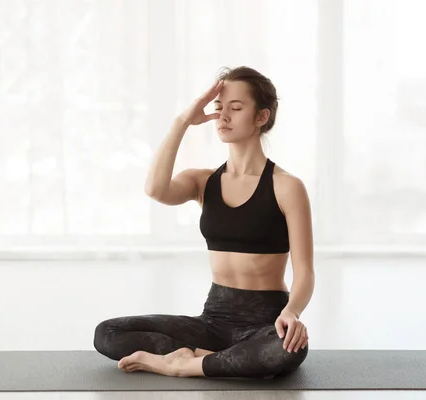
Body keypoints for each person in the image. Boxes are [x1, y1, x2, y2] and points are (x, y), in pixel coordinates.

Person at [93, 66, 314, 379]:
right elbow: (155, 189)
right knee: (107, 332)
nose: (223, 116)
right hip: (212, 320)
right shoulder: (203, 181)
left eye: (236, 108)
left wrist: (292, 312)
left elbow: (304, 271)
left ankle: (180, 364)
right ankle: (212, 361)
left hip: (265, 321)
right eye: (219, 107)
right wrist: (183, 121)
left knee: (288, 350)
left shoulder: (287, 187)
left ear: (261, 117)